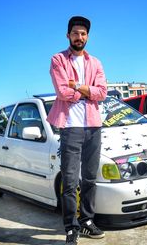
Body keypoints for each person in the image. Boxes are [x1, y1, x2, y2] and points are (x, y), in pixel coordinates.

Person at [47, 16, 107, 245]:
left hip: (93, 126)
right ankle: (71, 227)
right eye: (75, 33)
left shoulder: (96, 63)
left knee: (90, 178)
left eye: (83, 33)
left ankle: (87, 221)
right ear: (68, 35)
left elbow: (102, 92)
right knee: (70, 180)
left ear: (87, 36)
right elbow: (62, 92)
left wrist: (77, 86)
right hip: (70, 127)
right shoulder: (58, 59)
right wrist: (86, 91)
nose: (79, 37)